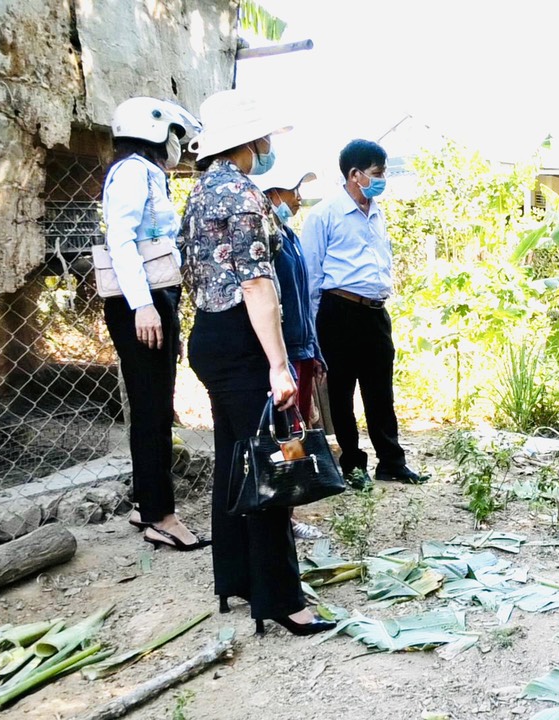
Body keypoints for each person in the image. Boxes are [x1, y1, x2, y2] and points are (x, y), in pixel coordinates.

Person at [179, 89, 334, 637]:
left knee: (234, 461)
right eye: (264, 136)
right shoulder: (244, 195)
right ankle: (282, 598)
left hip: (210, 335)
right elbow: (256, 283)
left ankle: (238, 578)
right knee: (272, 465)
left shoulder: (201, 192)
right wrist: (278, 364)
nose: (268, 145)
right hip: (245, 343)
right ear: (249, 141)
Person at [102, 97, 208, 552]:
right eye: (174, 137)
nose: (177, 147)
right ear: (154, 132)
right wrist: (143, 305)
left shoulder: (145, 173)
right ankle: (162, 518)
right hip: (139, 302)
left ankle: (146, 505)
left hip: (152, 298)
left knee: (151, 408)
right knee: (152, 412)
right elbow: (121, 240)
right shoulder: (131, 173)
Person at [300, 139, 428, 488]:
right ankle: (353, 466)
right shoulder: (324, 215)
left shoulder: (376, 212)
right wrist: (313, 332)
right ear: (355, 175)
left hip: (375, 313)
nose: (382, 179)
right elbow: (311, 275)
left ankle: (391, 462)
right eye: (377, 173)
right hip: (338, 311)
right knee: (341, 393)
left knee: (380, 391)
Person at [253, 161, 325, 541]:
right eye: (291, 191)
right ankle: (280, 515)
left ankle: (288, 512)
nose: (296, 199)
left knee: (298, 431)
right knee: (285, 436)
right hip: (284, 349)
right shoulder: (266, 240)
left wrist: (315, 349)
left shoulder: (290, 236)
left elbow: (302, 298)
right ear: (271, 194)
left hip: (302, 346)